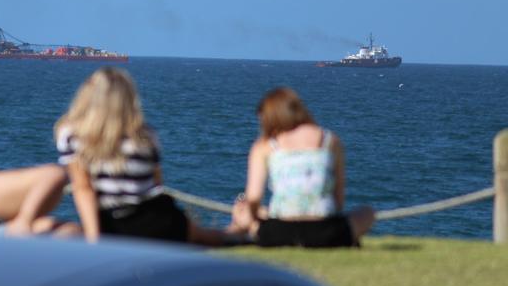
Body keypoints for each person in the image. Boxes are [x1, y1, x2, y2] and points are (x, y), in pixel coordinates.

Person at [55, 67, 233, 245]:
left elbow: (83, 189)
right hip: (157, 221)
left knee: (59, 231)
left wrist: (94, 239)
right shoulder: (147, 136)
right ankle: (240, 233)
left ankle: (239, 231)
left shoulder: (71, 135)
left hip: (110, 222)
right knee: (207, 237)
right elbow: (156, 186)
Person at [231, 87, 375, 248]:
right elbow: (338, 201)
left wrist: (254, 222)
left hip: (277, 234)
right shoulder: (330, 140)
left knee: (241, 209)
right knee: (367, 212)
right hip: (327, 232)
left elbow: (254, 198)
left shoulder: (264, 146)